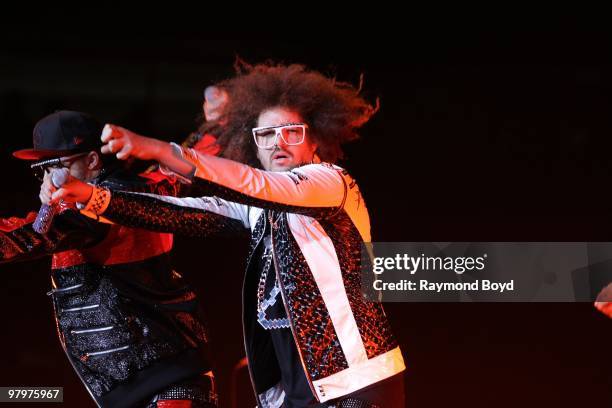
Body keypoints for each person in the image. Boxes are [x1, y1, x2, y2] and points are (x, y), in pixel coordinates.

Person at [47, 63, 407, 407]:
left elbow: (255, 183)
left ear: (315, 140)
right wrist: (95, 198)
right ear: (254, 146)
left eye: (291, 132)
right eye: (265, 134)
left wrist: (160, 151)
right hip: (293, 393)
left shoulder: (332, 183)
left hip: (355, 384)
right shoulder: (259, 208)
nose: (277, 143)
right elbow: (185, 212)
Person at [0, 111, 217, 408]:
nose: (50, 181)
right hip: (146, 383)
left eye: (58, 167)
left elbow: (23, 239)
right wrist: (218, 126)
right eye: (43, 170)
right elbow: (183, 166)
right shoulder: (141, 186)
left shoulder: (101, 208)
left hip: (164, 388)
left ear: (92, 160)